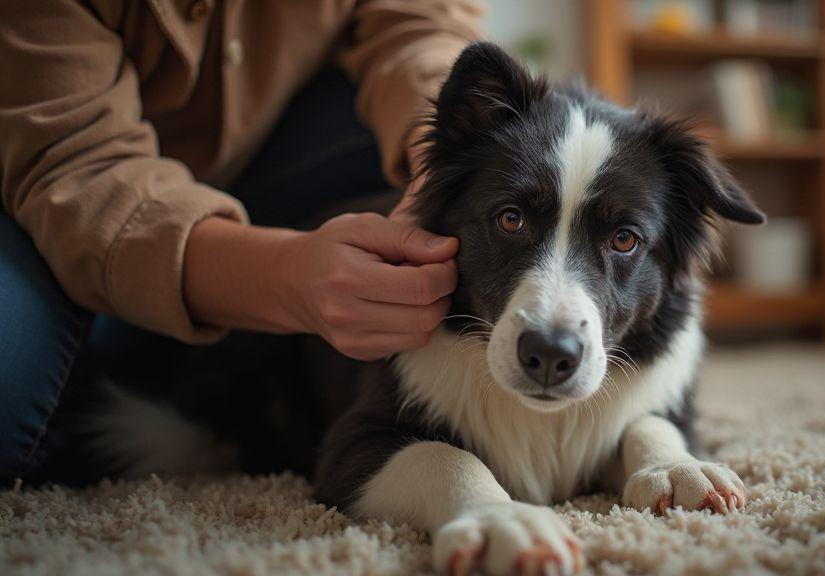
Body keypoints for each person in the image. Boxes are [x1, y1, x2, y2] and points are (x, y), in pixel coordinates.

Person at [0, 0, 484, 484]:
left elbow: (422, 23)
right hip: (50, 202)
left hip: (273, 152)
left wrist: (440, 156)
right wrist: (289, 280)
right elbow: (75, 170)